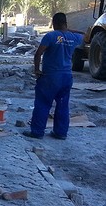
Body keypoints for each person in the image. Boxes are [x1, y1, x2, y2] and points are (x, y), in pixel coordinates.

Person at [24, 12, 84, 140]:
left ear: (54, 23)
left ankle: (37, 132)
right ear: (65, 23)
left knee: (43, 104)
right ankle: (61, 133)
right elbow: (84, 35)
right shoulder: (74, 37)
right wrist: (67, 30)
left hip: (50, 77)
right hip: (67, 77)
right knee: (63, 105)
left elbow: (38, 54)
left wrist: (36, 70)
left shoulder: (50, 36)